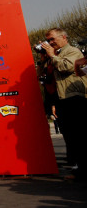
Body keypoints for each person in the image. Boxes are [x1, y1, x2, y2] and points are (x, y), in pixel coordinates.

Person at [36, 28, 87, 180]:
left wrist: (51, 54)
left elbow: (67, 67)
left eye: (52, 39)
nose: (50, 43)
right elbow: (40, 75)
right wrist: (44, 58)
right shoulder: (53, 56)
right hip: (61, 99)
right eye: (48, 41)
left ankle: (83, 169)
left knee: (80, 135)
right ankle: (80, 168)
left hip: (75, 98)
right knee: (70, 136)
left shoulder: (73, 51)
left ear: (63, 37)